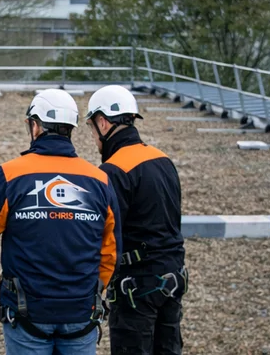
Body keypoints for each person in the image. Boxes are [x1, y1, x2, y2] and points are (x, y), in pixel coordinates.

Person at [0, 89, 120, 355]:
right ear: (71, 128)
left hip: (27, 311)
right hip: (81, 311)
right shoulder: (100, 180)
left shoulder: (11, 174)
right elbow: (111, 251)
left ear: (35, 126)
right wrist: (91, 290)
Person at [86, 85, 186, 355]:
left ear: (103, 123)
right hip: (173, 278)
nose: (94, 138)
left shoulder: (112, 170)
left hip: (136, 288)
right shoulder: (162, 159)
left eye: (92, 129)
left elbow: (103, 234)